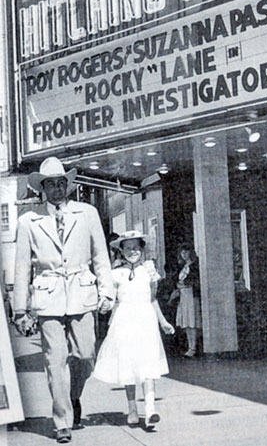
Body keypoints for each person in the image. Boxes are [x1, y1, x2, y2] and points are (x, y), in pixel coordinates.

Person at [13, 157, 115, 444]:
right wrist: (20, 309)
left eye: (62, 183)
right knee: (55, 361)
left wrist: (107, 292)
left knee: (86, 355)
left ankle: (73, 396)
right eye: (51, 185)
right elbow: (22, 268)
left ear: (68, 186)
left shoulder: (88, 213)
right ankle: (62, 422)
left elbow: (100, 257)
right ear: (42, 189)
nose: (57, 189)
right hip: (48, 299)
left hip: (83, 293)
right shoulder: (28, 221)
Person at [93, 230, 174, 429]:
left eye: (136, 248)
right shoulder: (116, 274)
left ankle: (150, 408)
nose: (133, 251)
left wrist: (163, 322)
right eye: (128, 248)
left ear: (142, 249)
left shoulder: (149, 272)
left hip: (145, 320)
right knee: (129, 365)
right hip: (125, 321)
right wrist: (104, 304)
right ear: (121, 251)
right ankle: (131, 408)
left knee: (148, 363)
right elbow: (110, 299)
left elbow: (152, 299)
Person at [170, 242, 201, 358]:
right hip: (184, 296)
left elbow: (193, 281)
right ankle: (190, 347)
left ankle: (194, 347)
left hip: (191, 296)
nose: (184, 254)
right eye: (182, 252)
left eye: (186, 251)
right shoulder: (182, 267)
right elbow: (177, 282)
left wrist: (183, 284)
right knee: (186, 323)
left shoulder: (194, 266)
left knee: (192, 322)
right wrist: (180, 285)